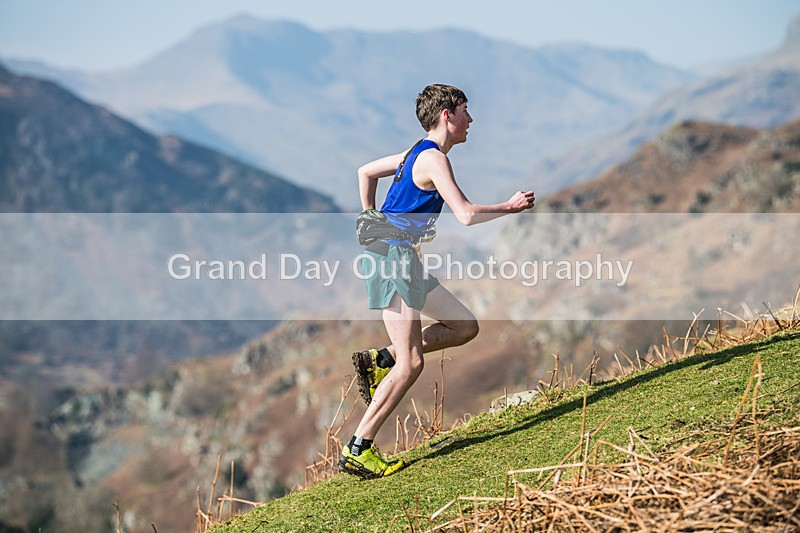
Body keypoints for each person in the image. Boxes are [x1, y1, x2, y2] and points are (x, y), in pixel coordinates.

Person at [339, 84, 536, 478]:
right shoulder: (432, 160)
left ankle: (381, 360)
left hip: (399, 257)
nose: (470, 119)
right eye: (465, 110)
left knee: (464, 326)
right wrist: (510, 206)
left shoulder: (415, 152)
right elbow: (464, 214)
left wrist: (368, 214)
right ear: (447, 114)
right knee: (411, 363)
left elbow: (365, 171)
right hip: (391, 258)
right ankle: (358, 448)